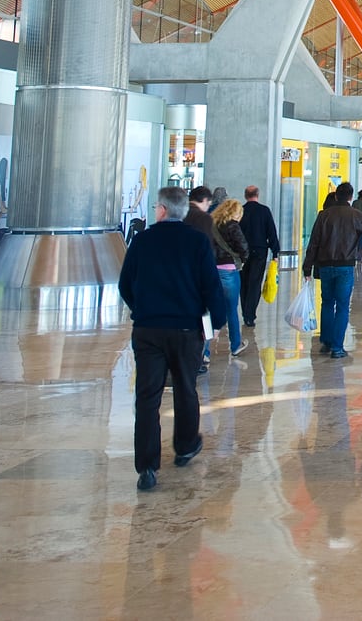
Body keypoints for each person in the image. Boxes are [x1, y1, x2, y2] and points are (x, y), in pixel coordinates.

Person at [118, 186, 234, 492]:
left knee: (147, 396)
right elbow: (210, 286)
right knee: (185, 387)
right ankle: (184, 445)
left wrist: (142, 309)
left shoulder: (142, 241)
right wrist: (217, 321)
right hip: (187, 330)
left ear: (163, 210)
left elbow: (125, 284)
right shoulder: (196, 242)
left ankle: (146, 466)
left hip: (148, 330)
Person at [305, 182, 362, 358]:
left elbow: (313, 243)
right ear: (350, 197)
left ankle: (326, 342)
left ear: (336, 196)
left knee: (327, 302)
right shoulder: (356, 215)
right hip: (345, 265)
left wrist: (307, 267)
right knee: (343, 305)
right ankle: (337, 347)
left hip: (325, 265)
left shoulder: (324, 215)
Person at [185, 185, 220, 367]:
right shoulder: (204, 219)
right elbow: (208, 250)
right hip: (198, 276)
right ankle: (199, 357)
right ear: (205, 201)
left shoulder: (178, 214)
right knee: (202, 317)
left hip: (179, 276)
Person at [210, 196, 249, 355]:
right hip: (228, 270)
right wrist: (244, 259)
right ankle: (235, 345)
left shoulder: (211, 225)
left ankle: (204, 352)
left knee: (209, 310)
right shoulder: (233, 226)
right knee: (231, 309)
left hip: (212, 270)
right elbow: (243, 246)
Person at [238, 186, 281, 329]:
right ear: (257, 194)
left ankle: (245, 312)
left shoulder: (240, 211)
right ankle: (250, 315)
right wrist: (276, 252)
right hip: (260, 251)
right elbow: (271, 232)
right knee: (255, 283)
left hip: (242, 253)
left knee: (243, 282)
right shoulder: (264, 211)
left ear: (245, 196)